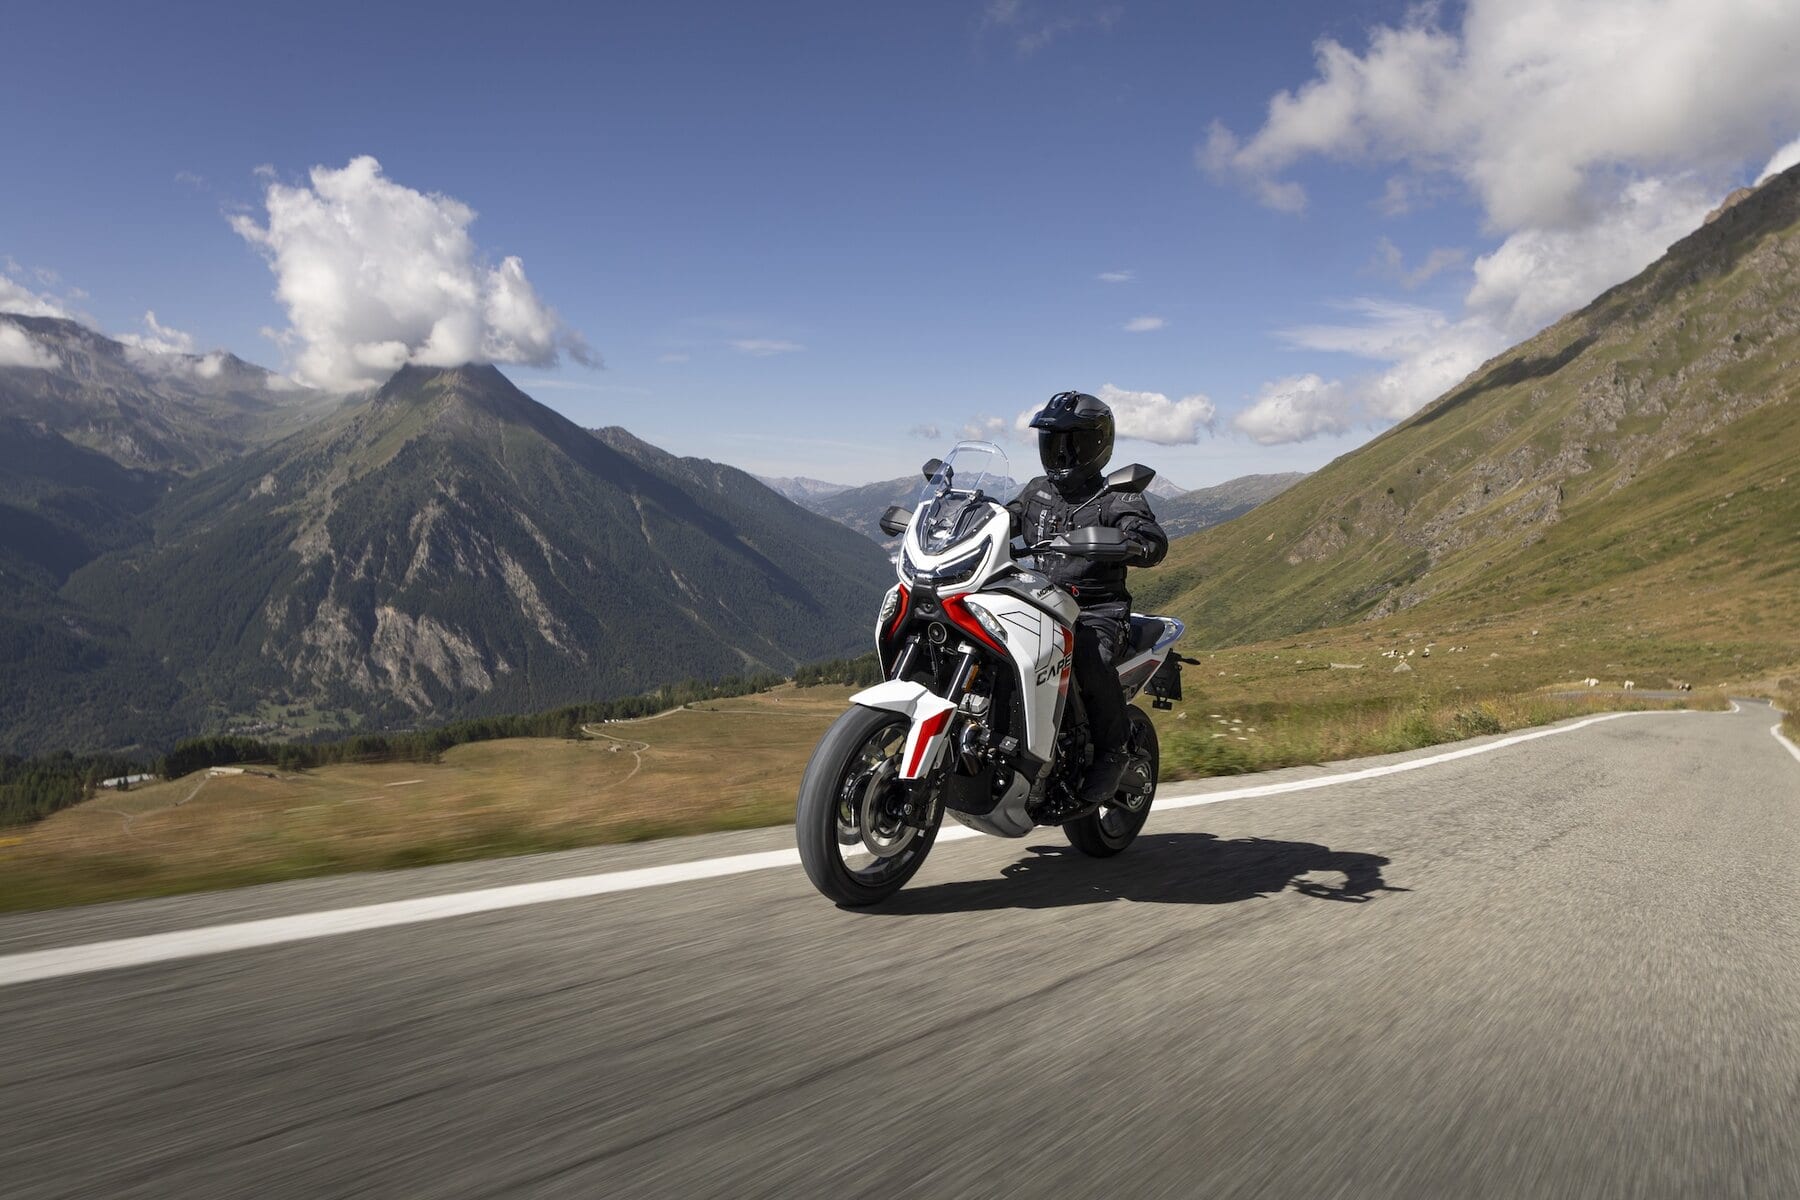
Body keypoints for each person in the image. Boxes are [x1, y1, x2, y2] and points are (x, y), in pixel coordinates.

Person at [1007, 390, 1169, 814]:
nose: (1058, 453)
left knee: (1087, 658)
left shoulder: (1118, 497)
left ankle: (1112, 752)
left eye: (1070, 442)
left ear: (1096, 445)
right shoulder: (1037, 490)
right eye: (1052, 442)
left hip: (1096, 612)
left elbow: (1151, 540)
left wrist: (1130, 543)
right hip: (1038, 602)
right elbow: (1004, 518)